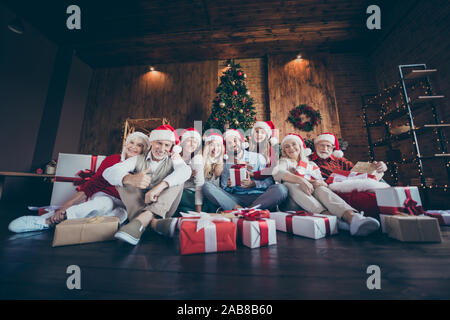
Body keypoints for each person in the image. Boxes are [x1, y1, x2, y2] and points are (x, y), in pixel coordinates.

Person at [8, 132, 150, 233]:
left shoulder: (145, 166)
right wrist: (66, 206)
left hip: (125, 204)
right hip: (105, 197)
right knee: (104, 205)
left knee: (119, 216)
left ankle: (71, 225)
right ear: (126, 143)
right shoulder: (112, 160)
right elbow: (94, 183)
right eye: (131, 142)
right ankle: (49, 221)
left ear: (144, 150)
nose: (133, 147)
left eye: (139, 145)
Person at [272, 133, 380, 236]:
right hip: (293, 202)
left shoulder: (311, 164)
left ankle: (353, 218)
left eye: (294, 144)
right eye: (287, 146)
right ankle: (332, 219)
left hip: (313, 200)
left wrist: (317, 183)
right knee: (290, 184)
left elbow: (322, 182)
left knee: (319, 188)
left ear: (300, 146)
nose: (291, 148)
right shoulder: (285, 161)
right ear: (284, 151)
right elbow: (277, 173)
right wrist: (301, 180)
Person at [102, 124, 191, 245]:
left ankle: (141, 223)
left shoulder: (174, 159)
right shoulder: (138, 159)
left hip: (164, 209)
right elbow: (107, 172)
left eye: (166, 145)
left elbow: (186, 171)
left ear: (171, 147)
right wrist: (130, 178)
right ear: (152, 143)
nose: (161, 148)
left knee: (178, 179)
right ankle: (155, 224)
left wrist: (159, 187)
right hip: (139, 206)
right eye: (158, 143)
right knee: (122, 180)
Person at [202, 128, 288, 211]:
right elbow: (225, 189)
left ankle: (249, 209)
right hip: (236, 198)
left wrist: (253, 183)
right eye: (229, 143)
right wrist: (229, 186)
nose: (233, 144)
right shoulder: (226, 164)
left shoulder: (258, 157)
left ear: (241, 141)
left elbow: (269, 181)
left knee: (281, 189)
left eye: (235, 140)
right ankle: (240, 208)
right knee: (206, 186)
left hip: (259, 196)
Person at [312, 132, 388, 220]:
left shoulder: (339, 160)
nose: (324, 149)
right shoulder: (309, 160)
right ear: (316, 146)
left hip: (350, 184)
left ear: (333, 148)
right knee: (369, 199)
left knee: (380, 186)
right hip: (330, 189)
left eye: (328, 146)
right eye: (321, 145)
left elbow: (357, 171)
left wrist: (378, 167)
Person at [175, 128, 205, 214]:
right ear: (183, 142)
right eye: (189, 140)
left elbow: (200, 185)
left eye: (195, 142)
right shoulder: (174, 157)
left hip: (191, 194)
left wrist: (198, 212)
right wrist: (186, 176)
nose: (192, 144)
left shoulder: (197, 159)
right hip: (176, 191)